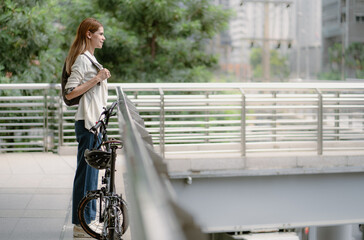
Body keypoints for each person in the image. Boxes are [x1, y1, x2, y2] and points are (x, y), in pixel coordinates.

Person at [64, 17, 111, 238]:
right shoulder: (83, 60)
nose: (103, 37)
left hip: (94, 123)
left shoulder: (91, 59)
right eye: (100, 33)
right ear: (89, 34)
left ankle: (87, 220)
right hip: (87, 123)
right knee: (85, 175)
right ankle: (80, 224)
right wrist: (98, 78)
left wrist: (100, 76)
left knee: (91, 175)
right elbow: (70, 92)